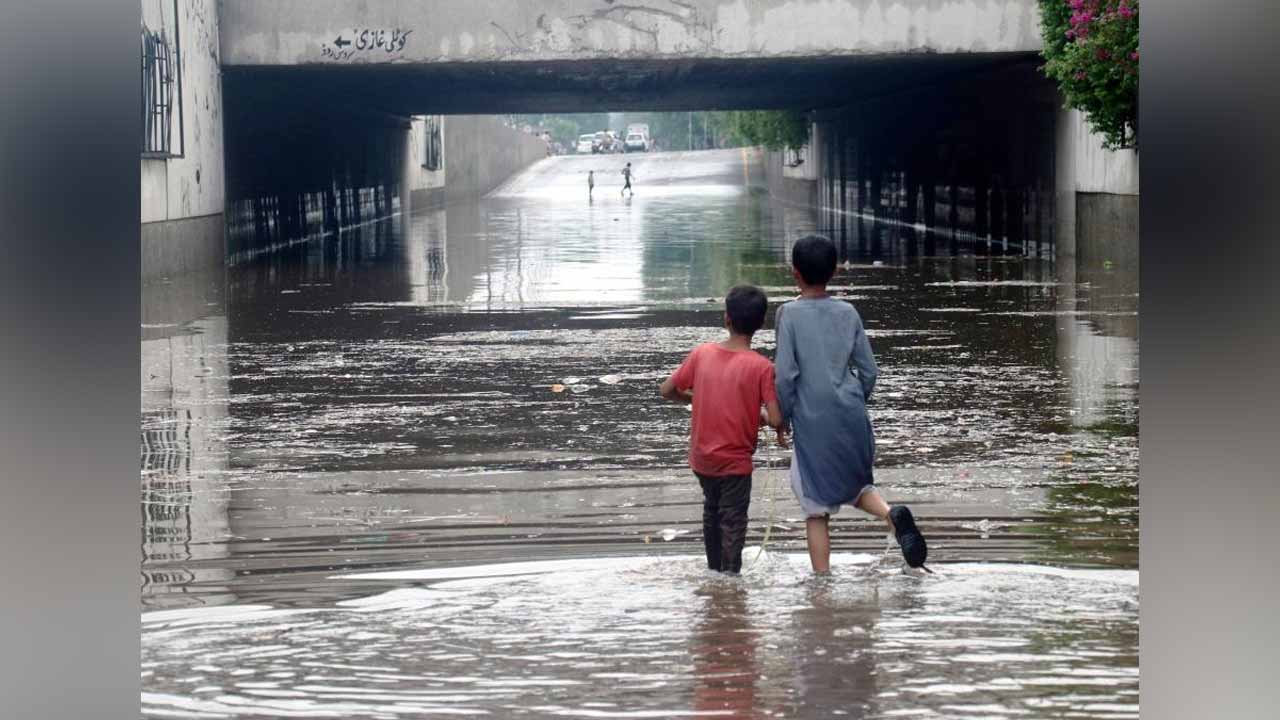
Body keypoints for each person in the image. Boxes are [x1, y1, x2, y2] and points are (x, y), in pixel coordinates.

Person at [774, 235, 928, 573]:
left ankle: (822, 585)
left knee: (815, 508)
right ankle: (892, 516)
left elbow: (785, 375)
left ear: (794, 273)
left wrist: (781, 417)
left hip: (812, 420)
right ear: (835, 271)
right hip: (851, 412)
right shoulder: (848, 312)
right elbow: (868, 370)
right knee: (855, 485)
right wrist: (854, 402)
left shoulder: (788, 315)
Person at [660, 285, 786, 574]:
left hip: (702, 460)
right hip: (735, 464)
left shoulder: (701, 354)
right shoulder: (761, 367)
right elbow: (777, 418)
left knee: (712, 510)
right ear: (760, 324)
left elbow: (667, 389)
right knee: (733, 519)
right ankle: (730, 579)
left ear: (726, 319)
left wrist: (692, 397)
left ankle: (714, 572)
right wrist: (765, 416)